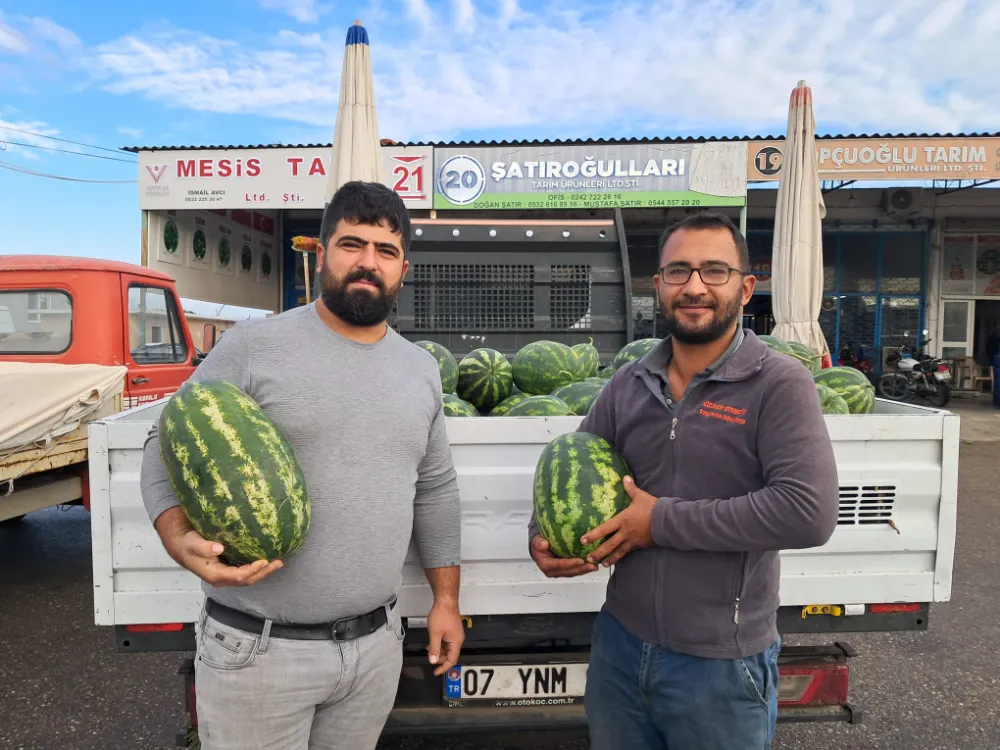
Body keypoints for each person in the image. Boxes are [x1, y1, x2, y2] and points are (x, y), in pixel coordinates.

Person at [140, 180, 465, 750]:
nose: (368, 262)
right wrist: (175, 535)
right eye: (352, 244)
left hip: (375, 646)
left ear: (403, 269)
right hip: (258, 652)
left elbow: (434, 490)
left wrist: (445, 601)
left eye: (385, 251)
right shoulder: (254, 346)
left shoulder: (421, 370)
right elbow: (162, 438)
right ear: (320, 255)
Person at [528, 211, 840, 750]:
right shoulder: (629, 382)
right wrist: (543, 536)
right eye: (678, 272)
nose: (694, 287)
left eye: (714, 271)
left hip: (722, 664)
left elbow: (807, 512)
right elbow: (576, 454)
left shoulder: (779, 383)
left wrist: (660, 522)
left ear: (745, 289)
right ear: (658, 287)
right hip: (621, 650)